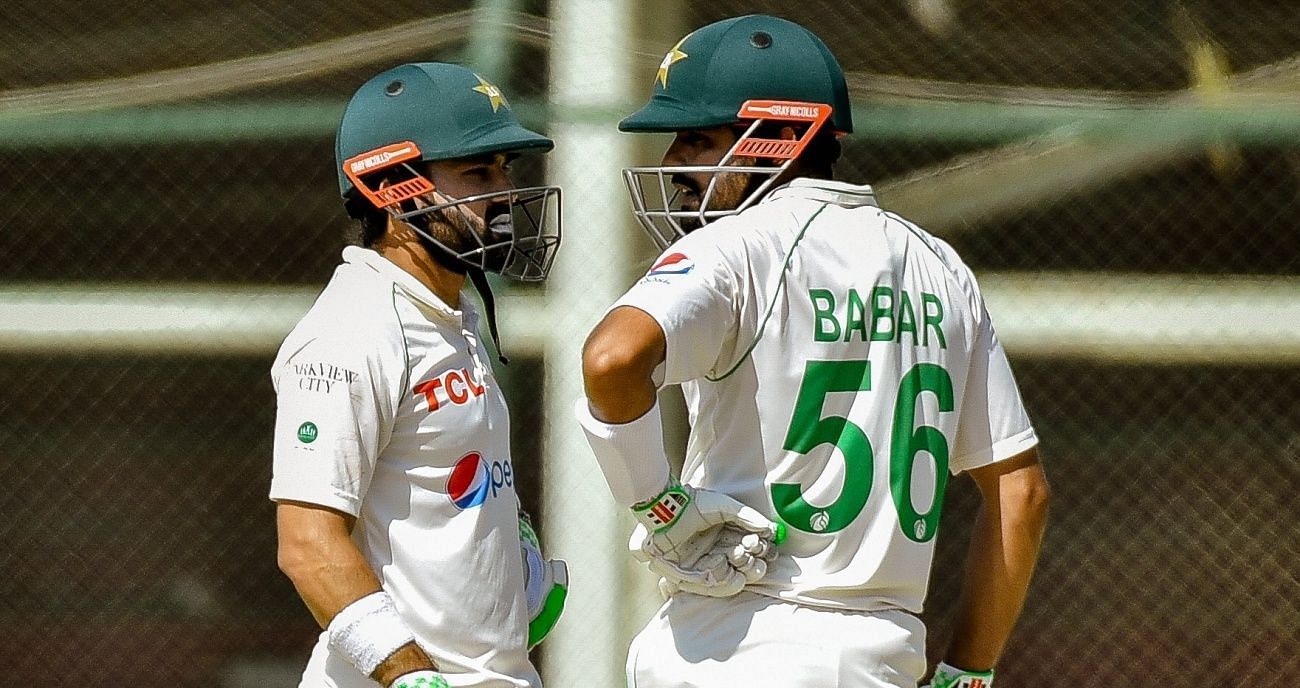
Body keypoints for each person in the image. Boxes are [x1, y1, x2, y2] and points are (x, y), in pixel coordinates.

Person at [576, 15, 1050, 688]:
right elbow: (1021, 494)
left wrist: (659, 505)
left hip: (737, 649)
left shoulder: (734, 247)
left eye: (697, 139)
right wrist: (968, 675)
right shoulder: (940, 266)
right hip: (880, 657)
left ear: (777, 136)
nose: (674, 164)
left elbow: (611, 360)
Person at [271, 62, 567, 688]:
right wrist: (409, 677)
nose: (505, 195)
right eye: (477, 173)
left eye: (504, 171)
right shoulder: (351, 331)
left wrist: (503, 586)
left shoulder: (448, 314)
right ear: (392, 185)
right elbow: (307, 544)